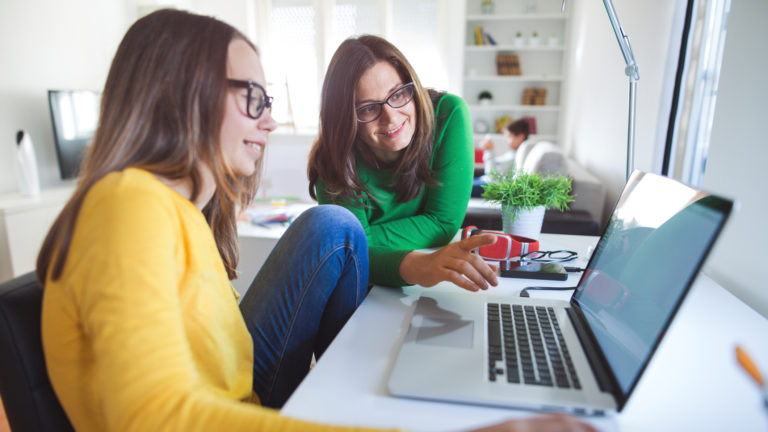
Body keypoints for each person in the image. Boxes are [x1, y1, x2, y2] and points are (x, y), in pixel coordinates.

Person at [35, 10, 597, 432]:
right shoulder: (125, 204)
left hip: (243, 394)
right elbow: (156, 415)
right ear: (186, 96)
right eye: (254, 97)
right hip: (235, 405)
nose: (272, 121)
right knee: (332, 227)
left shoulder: (173, 210)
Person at [307, 35, 498, 292]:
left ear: (412, 86)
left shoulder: (449, 114)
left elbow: (443, 223)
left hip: (433, 278)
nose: (391, 117)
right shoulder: (335, 156)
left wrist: (363, 243)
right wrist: (420, 265)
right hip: (364, 289)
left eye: (397, 95)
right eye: (367, 109)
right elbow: (349, 257)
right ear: (345, 118)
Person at [472, 119, 531, 197]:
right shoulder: (513, 153)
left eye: (509, 136)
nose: (506, 140)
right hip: (485, 180)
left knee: (458, 185)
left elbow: (491, 174)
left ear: (521, 137)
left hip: (490, 185)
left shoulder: (516, 157)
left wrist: (490, 151)